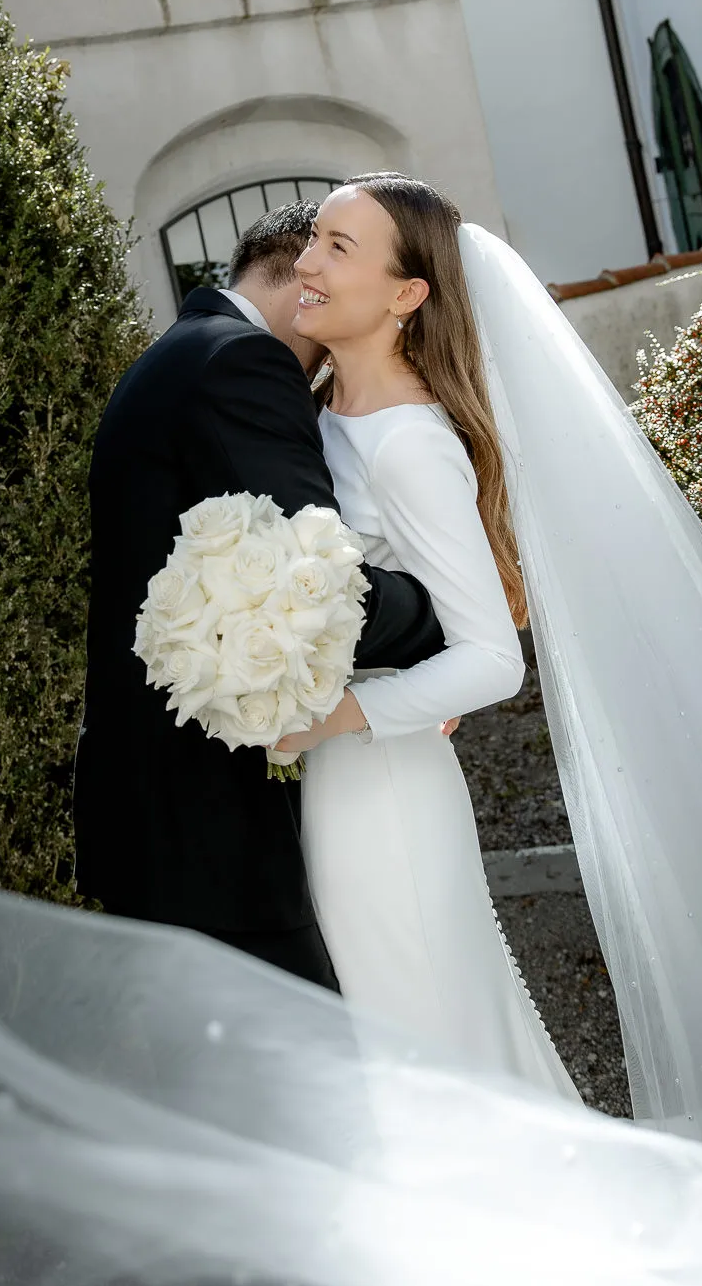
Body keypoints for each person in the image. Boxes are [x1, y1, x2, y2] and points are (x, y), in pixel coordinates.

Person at [73, 201, 446, 990]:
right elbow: (317, 584)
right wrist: (442, 615)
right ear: (296, 271)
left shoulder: (179, 354)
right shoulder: (246, 362)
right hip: (209, 821)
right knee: (305, 1082)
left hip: (153, 808)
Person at [275, 174, 579, 1094]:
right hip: (343, 772)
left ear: (407, 295)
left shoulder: (408, 444)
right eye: (313, 239)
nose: (306, 263)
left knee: (418, 1036)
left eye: (337, 247)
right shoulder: (319, 408)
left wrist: (336, 719)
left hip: (386, 793)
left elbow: (491, 661)